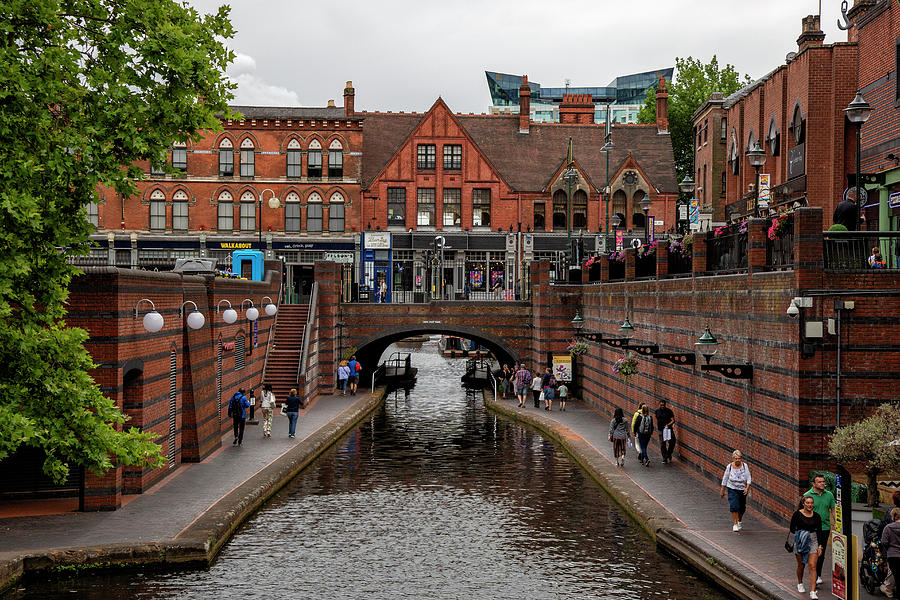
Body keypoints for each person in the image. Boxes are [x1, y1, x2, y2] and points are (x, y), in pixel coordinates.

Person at [804, 474, 836, 586]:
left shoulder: (829, 495)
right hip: (811, 529)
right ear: (814, 484)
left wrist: (836, 523)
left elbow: (833, 510)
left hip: (825, 528)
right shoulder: (807, 495)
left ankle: (817, 575)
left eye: (823, 482)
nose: (823, 484)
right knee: (813, 552)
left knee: (821, 553)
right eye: (820, 482)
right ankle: (813, 573)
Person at [791, 494, 823, 598]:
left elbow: (820, 532)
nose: (810, 505)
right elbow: (792, 528)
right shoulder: (797, 514)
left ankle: (813, 591)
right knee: (801, 565)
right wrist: (802, 534)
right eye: (808, 503)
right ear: (803, 504)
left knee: (812, 566)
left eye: (811, 503)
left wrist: (820, 546)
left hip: (813, 540)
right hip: (800, 540)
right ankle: (800, 583)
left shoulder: (817, 516)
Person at [720, 450, 752, 531]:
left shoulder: (745, 466)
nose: (737, 460)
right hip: (732, 488)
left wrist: (747, 488)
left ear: (741, 459)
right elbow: (725, 478)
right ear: (733, 459)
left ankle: (739, 520)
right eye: (736, 458)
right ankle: (735, 523)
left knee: (742, 508)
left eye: (739, 458)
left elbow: (748, 478)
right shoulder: (729, 467)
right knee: (734, 506)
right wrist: (722, 490)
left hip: (742, 489)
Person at [877, 491, 900, 597]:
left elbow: (883, 539)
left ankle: (889, 588)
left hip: (892, 553)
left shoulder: (888, 525)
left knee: (892, 571)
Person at [882, 508, 900, 600]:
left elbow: (884, 542)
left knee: (896, 576)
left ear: (893, 516)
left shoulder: (888, 528)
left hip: (893, 556)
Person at [655, 399, 675, 463]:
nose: (662, 406)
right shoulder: (657, 411)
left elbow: (673, 420)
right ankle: (664, 457)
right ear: (659, 405)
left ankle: (669, 454)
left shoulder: (669, 411)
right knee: (662, 444)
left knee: (672, 441)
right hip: (661, 429)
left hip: (668, 429)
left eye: (663, 405)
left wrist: (668, 425)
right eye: (661, 405)